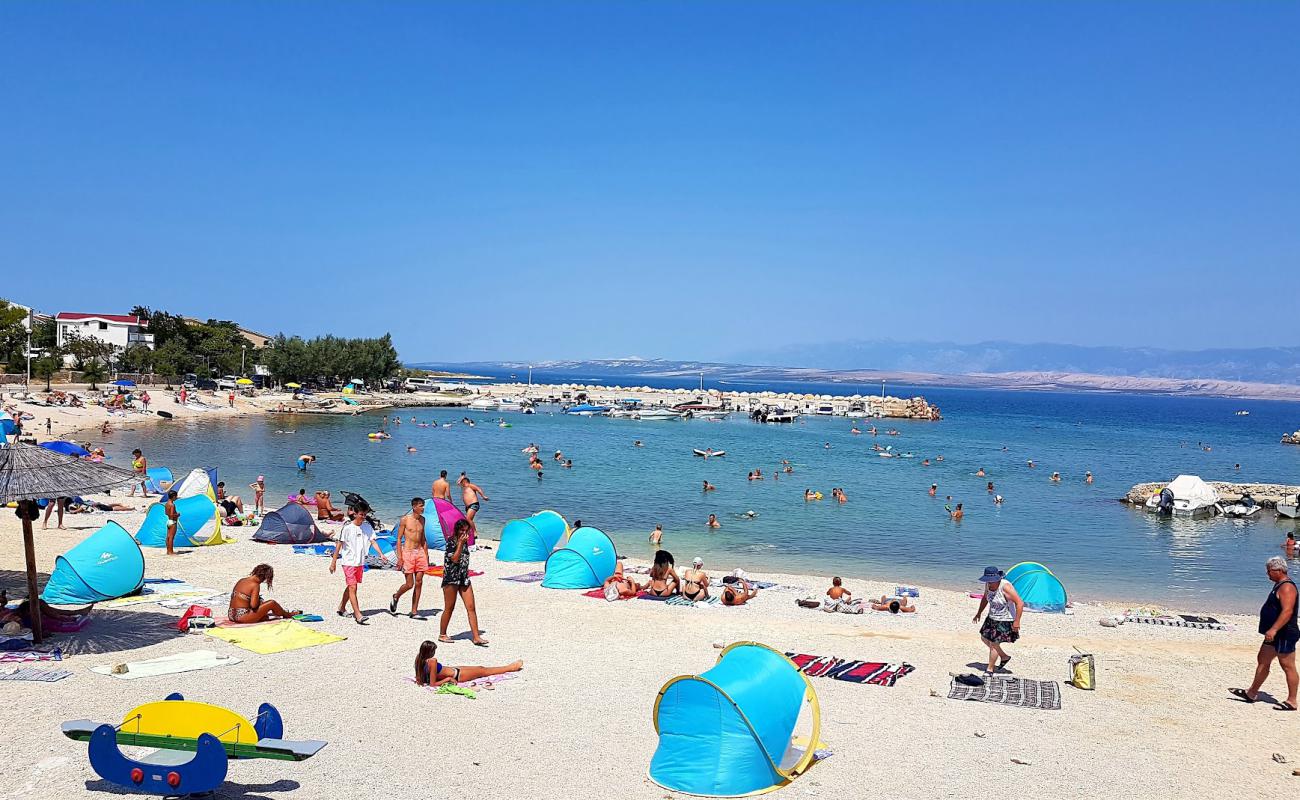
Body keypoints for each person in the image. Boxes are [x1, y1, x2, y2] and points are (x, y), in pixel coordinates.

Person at [1231, 557, 1299, 711]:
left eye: (1269, 570)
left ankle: (1292, 700)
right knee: (1263, 659)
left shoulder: (1287, 587)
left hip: (1285, 633)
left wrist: (1274, 629)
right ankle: (1252, 693)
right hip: (1274, 634)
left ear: (1278, 570)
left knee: (1287, 665)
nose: (1267, 573)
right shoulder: (1279, 585)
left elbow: (1287, 611)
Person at [331, 503, 385, 625]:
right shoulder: (347, 528)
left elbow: (373, 541)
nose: (363, 517)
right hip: (348, 561)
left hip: (360, 562)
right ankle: (358, 615)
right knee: (353, 587)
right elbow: (339, 545)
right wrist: (333, 562)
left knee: (352, 586)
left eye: (365, 514)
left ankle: (341, 607)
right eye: (361, 514)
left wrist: (381, 554)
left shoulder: (367, 527)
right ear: (355, 514)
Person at [439, 518, 488, 646]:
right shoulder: (451, 542)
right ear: (457, 530)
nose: (464, 533)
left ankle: (476, 636)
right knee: (449, 607)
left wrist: (463, 543)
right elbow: (454, 559)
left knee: (471, 607)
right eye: (462, 530)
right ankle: (442, 634)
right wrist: (460, 543)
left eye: (466, 531)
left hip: (463, 577)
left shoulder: (466, 542)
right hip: (451, 578)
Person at [972, 566, 1024, 676]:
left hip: (1005, 620)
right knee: (984, 638)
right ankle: (1004, 656)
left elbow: (1020, 603)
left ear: (998, 579)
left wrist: (1017, 621)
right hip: (992, 618)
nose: (989, 583)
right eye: (988, 581)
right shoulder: (988, 585)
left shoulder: (1006, 587)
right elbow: (985, 598)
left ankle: (989, 670)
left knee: (994, 644)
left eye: (991, 581)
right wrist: (979, 613)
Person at [414, 640, 522, 687]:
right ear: (429, 652)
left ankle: (509, 667)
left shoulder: (418, 659)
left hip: (453, 670)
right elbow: (433, 684)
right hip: (456, 675)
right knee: (483, 671)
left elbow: (420, 678)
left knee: (480, 668)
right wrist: (447, 679)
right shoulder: (432, 661)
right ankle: (510, 668)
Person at [391, 498, 430, 619]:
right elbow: (398, 538)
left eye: (423, 506)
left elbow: (423, 538)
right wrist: (400, 557)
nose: (422, 508)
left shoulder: (423, 520)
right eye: (420, 506)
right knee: (409, 584)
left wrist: (426, 554)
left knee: (419, 582)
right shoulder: (405, 519)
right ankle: (396, 596)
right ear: (414, 507)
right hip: (407, 552)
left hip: (420, 552)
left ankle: (414, 611)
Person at [228, 564, 299, 623]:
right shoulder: (255, 585)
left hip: (231, 615)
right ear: (263, 577)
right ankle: (287, 614)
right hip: (242, 616)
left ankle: (280, 613)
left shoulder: (242, 580)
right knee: (272, 603)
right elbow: (253, 605)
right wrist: (260, 601)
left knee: (265, 616)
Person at [162, 490, 180, 555]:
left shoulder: (166, 504)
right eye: (176, 496)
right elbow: (171, 515)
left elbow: (166, 513)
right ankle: (171, 551)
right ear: (173, 497)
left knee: (168, 537)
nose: (176, 498)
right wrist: (177, 514)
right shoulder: (172, 505)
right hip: (173, 522)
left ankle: (168, 551)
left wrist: (172, 515)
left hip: (168, 521)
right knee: (171, 537)